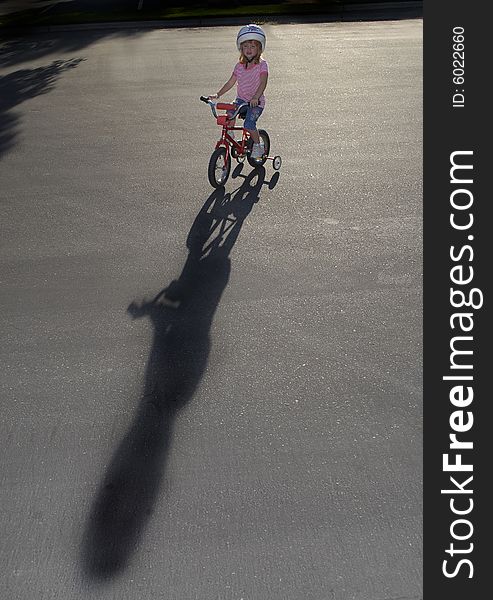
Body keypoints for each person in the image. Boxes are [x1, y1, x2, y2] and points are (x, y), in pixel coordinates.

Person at [209, 24, 269, 159]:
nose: (249, 49)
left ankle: (258, 146)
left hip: (256, 103)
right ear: (241, 48)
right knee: (230, 112)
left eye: (253, 46)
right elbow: (230, 82)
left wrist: (256, 97)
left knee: (249, 124)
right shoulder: (239, 66)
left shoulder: (262, 65)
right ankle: (230, 134)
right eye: (245, 46)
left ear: (259, 48)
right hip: (241, 100)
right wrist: (218, 94)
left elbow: (263, 82)